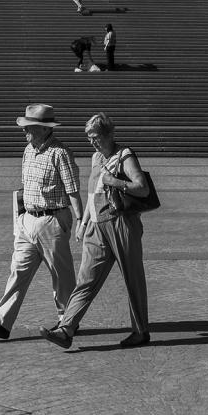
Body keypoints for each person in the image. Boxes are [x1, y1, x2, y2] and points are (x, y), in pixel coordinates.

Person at [0, 103, 83, 341]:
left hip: (52, 220)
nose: (25, 132)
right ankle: (0, 322)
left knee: (61, 276)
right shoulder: (28, 150)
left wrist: (81, 219)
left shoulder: (60, 153)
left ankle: (68, 321)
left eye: (29, 127)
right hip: (28, 219)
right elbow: (24, 187)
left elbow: (73, 190)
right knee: (18, 271)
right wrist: (19, 219)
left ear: (44, 129)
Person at [41, 112, 150, 350]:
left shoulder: (125, 156)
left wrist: (116, 182)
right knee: (85, 280)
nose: (92, 142)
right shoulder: (96, 158)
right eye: (89, 137)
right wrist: (84, 222)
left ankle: (141, 331)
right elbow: (92, 192)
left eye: (96, 137)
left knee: (133, 280)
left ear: (109, 134)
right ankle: (66, 329)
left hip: (122, 223)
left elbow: (142, 188)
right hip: (97, 225)